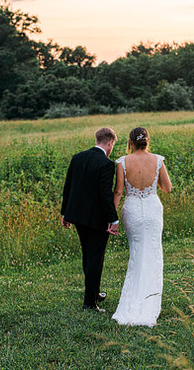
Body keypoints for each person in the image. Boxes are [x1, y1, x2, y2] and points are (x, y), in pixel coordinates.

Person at [112, 127, 172, 326]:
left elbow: (119, 192)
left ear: (130, 142)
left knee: (136, 253)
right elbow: (168, 188)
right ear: (147, 141)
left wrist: (112, 218)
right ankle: (150, 301)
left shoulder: (122, 162)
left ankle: (133, 300)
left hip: (133, 210)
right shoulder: (158, 160)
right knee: (153, 252)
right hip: (153, 209)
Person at [61, 127, 120, 312]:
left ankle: (94, 293)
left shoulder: (78, 157)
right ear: (110, 143)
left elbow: (68, 185)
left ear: (97, 139)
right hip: (96, 219)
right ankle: (90, 303)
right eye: (112, 145)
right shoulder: (106, 163)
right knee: (95, 259)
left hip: (77, 216)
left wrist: (65, 213)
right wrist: (114, 219)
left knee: (88, 256)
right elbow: (105, 195)